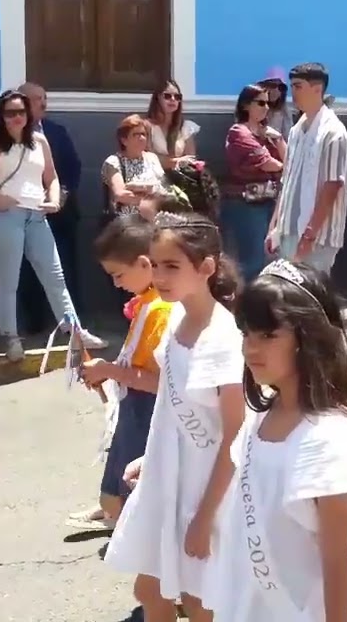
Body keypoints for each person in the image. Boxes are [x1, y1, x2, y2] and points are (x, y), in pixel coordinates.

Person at [206, 259, 347, 621]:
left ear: (308, 339)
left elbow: (337, 562)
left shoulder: (329, 438)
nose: (251, 349)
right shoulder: (262, 416)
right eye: (247, 334)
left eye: (269, 335)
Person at [104, 212, 245, 622]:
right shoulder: (177, 318)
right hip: (168, 477)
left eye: (172, 266)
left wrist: (203, 518)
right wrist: (153, 458)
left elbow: (235, 439)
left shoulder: (224, 340)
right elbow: (170, 404)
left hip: (206, 490)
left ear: (206, 268)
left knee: (200, 600)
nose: (160, 276)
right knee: (150, 587)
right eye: (155, 264)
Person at [0, 89, 105, 361]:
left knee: (55, 276)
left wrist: (54, 200)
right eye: (10, 113)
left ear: (28, 114)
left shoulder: (40, 141)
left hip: (37, 216)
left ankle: (75, 332)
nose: (16, 117)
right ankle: (11, 338)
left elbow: (51, 177)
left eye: (20, 112)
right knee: (9, 280)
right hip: (5, 216)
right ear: (1, 116)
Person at [67, 216, 172, 532]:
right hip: (134, 407)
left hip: (147, 412)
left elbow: (161, 382)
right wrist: (107, 373)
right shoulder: (149, 303)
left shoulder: (162, 311)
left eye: (118, 275)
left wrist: (108, 370)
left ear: (144, 264)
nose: (115, 284)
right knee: (117, 485)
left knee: (130, 484)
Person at [267, 63, 347, 273]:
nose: (293, 93)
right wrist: (274, 226)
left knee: (311, 299)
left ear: (317, 89)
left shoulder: (333, 132)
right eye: (292, 86)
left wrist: (310, 234)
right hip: (288, 231)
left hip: (318, 237)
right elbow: (287, 181)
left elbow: (332, 186)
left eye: (298, 86)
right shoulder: (296, 131)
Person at [17, 82, 85, 333]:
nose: (43, 103)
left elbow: (73, 167)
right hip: (26, 212)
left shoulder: (56, 132)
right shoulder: (9, 134)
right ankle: (36, 323)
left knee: (64, 266)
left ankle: (72, 323)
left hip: (60, 213)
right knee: (28, 270)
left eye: (44, 98)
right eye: (36, 99)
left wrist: (63, 193)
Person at [221, 83, 285, 279]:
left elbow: (289, 159)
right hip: (245, 204)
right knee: (251, 262)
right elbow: (269, 164)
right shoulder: (239, 132)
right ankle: (243, 303)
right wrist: (285, 167)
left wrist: (280, 138)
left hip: (268, 202)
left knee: (267, 258)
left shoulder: (267, 134)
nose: (266, 108)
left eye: (269, 104)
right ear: (246, 105)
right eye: (261, 103)